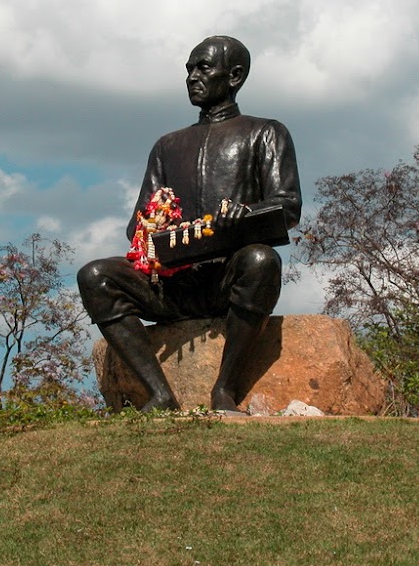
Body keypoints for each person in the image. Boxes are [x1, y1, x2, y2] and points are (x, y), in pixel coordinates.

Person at [77, 35, 301, 412]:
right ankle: (160, 394)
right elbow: (138, 224)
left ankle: (225, 389)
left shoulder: (265, 132)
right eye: (189, 69)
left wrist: (245, 214)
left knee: (261, 261)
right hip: (171, 283)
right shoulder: (168, 145)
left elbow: (287, 206)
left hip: (228, 278)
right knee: (94, 274)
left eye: (203, 68)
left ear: (235, 76)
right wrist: (152, 226)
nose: (192, 77)